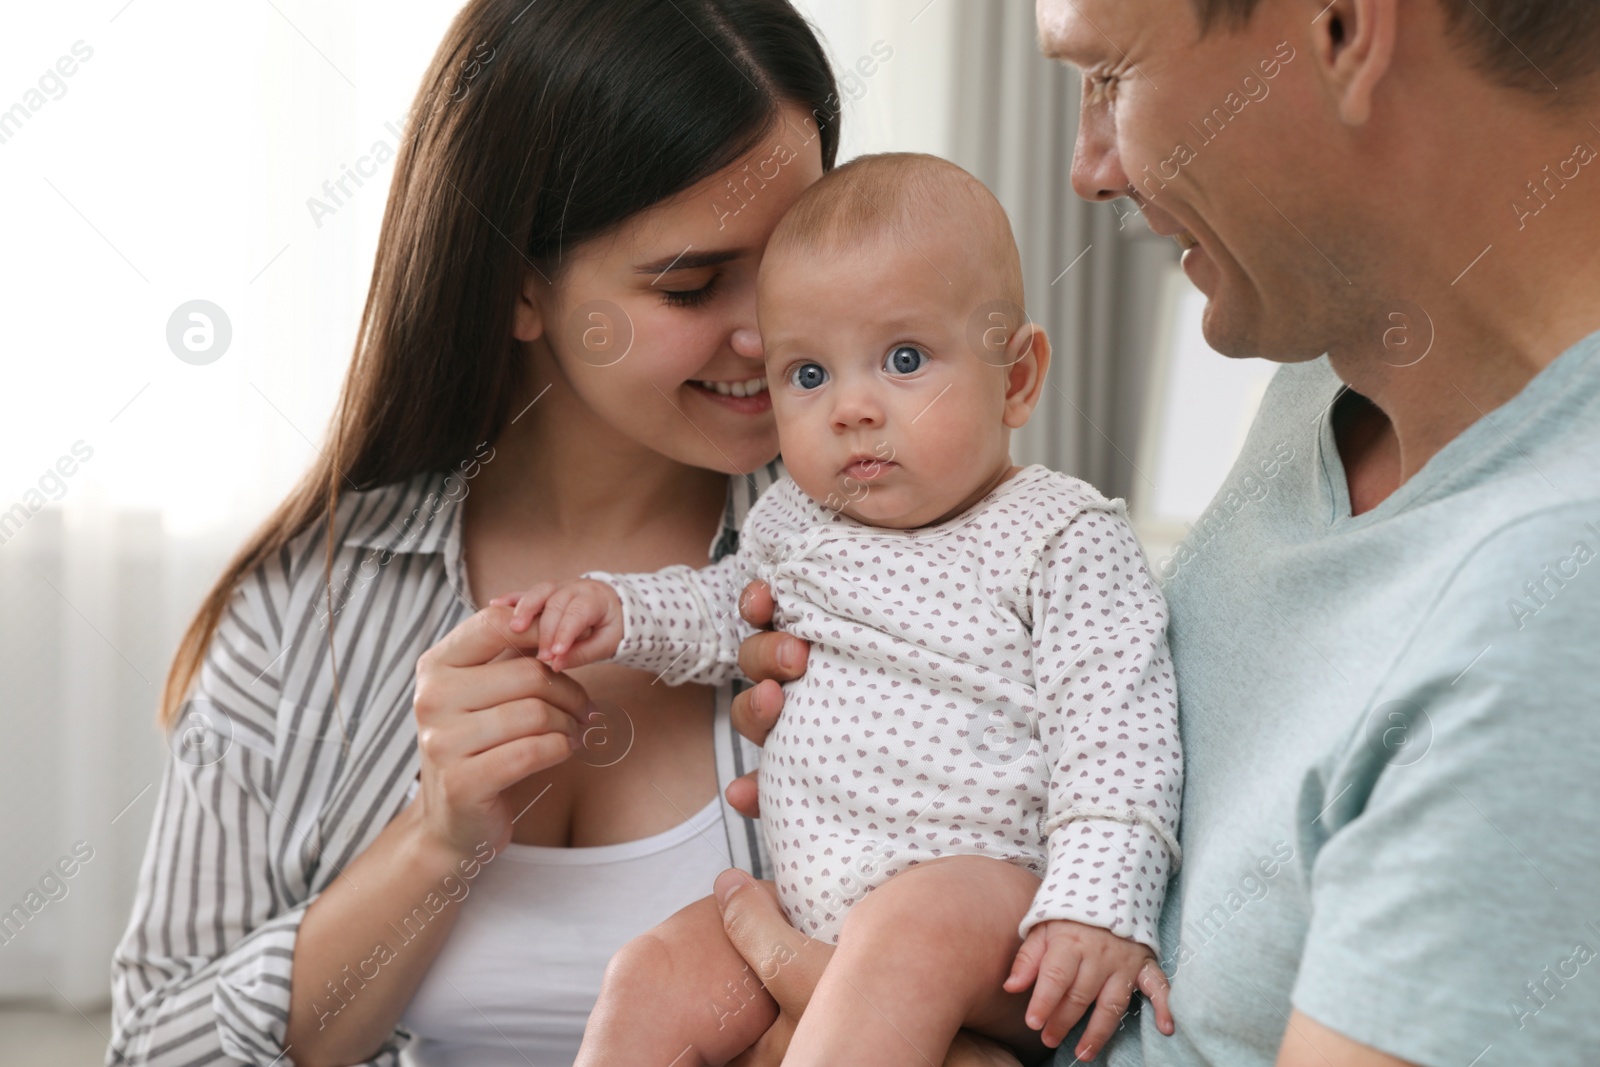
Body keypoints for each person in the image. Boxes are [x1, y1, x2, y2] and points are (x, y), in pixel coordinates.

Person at [710, 0, 1600, 1064]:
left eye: (1110, 76)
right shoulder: (1332, 376)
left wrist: (861, 990)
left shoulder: (1555, 606)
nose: (1087, 168)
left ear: (1342, 27)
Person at [105, 2, 865, 1065]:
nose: (769, 329)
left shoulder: (907, 564)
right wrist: (433, 843)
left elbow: (1052, 976)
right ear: (518, 283)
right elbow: (155, 1049)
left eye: (793, 255)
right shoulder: (299, 608)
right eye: (692, 283)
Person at [494, 153, 1182, 1066]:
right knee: (652, 969)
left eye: (904, 360)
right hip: (808, 902)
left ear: (1016, 376)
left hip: (994, 913)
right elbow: (727, 610)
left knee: (908, 932)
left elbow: (1120, 731)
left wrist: (1096, 903)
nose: (852, 408)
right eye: (808, 374)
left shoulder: (1059, 535)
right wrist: (619, 610)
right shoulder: (796, 520)